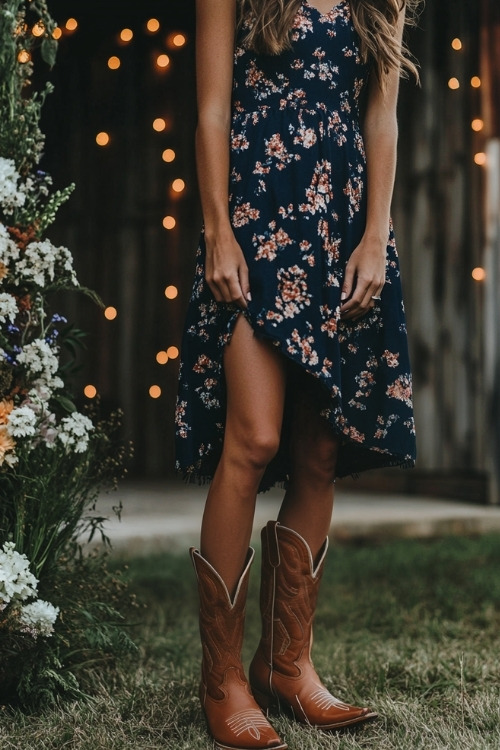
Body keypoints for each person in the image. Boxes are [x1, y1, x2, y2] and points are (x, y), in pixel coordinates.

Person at [175, 1, 420, 747]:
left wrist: (376, 237)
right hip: (258, 219)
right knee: (252, 439)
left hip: (343, 228)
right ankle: (223, 681)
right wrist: (218, 231)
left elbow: (382, 119)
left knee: (319, 453)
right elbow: (212, 111)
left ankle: (288, 667)